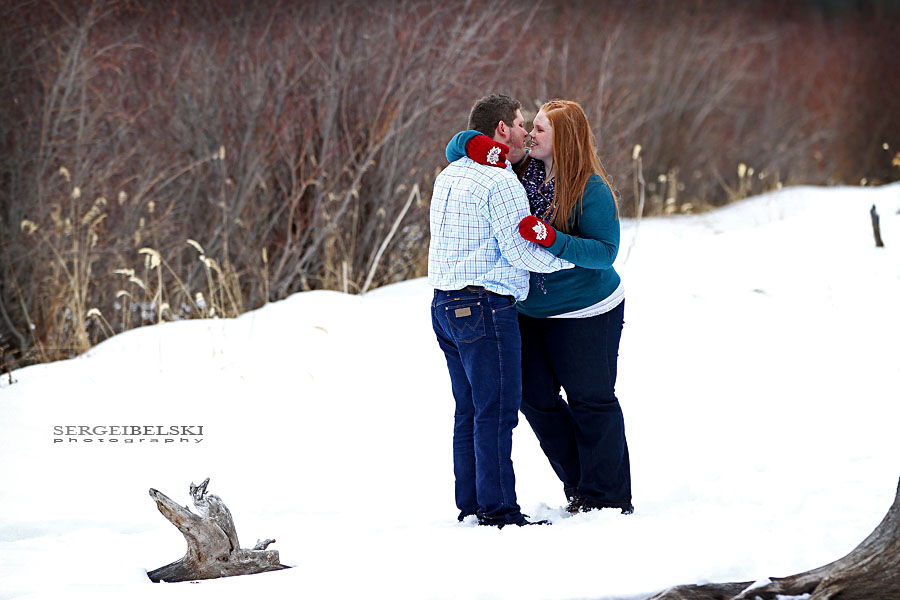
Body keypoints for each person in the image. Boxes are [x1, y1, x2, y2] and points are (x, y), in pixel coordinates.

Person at [446, 99, 633, 515]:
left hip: (587, 311)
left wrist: (551, 238)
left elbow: (605, 253)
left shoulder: (591, 188)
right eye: (529, 126)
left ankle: (607, 497)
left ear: (564, 140)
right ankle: (579, 481)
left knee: (591, 400)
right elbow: (457, 146)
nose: (529, 134)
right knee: (534, 398)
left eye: (541, 130)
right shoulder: (521, 171)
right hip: (531, 311)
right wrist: (474, 145)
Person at [428, 94, 573, 528]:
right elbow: (520, 250)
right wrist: (573, 257)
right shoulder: (500, 180)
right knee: (496, 410)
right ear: (501, 129)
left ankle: (473, 503)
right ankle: (499, 512)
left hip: (444, 304)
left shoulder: (451, 174)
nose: (526, 130)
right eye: (520, 123)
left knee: (470, 409)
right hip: (485, 306)